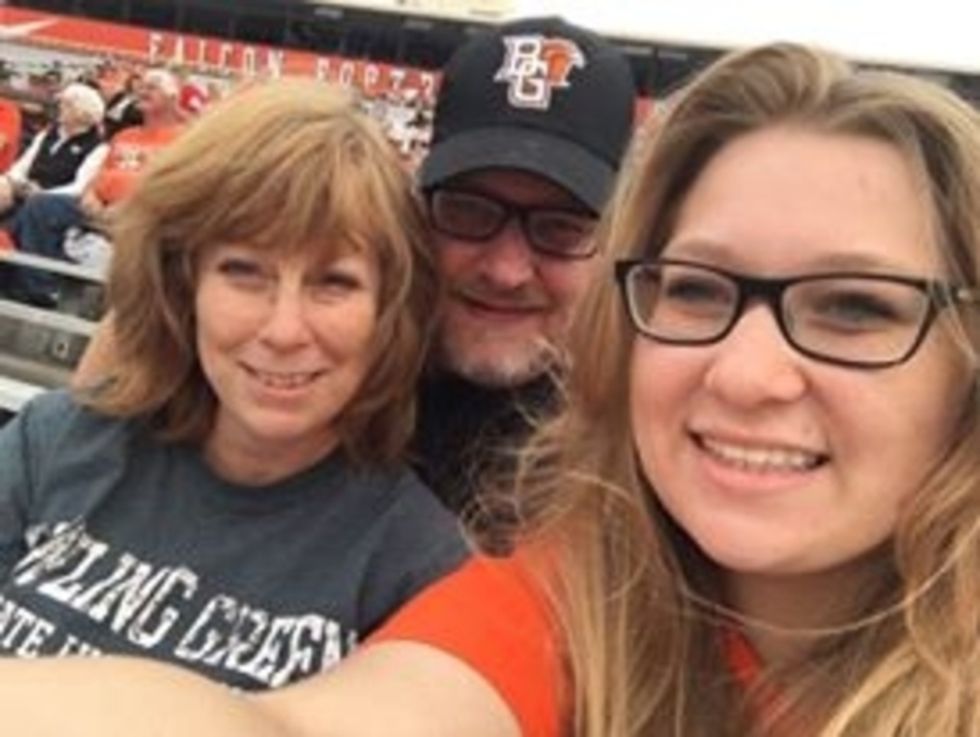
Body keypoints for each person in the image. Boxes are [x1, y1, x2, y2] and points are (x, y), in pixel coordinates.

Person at [1, 38, 976, 737]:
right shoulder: (581, 584)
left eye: (855, 306)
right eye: (698, 288)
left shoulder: (536, 503)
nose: (507, 268)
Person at [0, 78, 467, 690]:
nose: (283, 330)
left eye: (334, 282)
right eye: (244, 272)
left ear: (390, 308)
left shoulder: (418, 568)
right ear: (183, 285)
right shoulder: (55, 440)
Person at [411, 15, 637, 515]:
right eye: (470, 212)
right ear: (419, 211)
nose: (506, 271)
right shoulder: (310, 397)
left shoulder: (649, 474)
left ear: (614, 242)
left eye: (560, 229)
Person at [4, 68, 185, 304]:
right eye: (141, 86)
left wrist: (130, 206)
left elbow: (175, 188)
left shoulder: (184, 140)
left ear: (173, 97)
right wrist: (91, 196)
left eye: (152, 87)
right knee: (40, 206)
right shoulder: (124, 136)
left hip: (143, 213)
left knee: (36, 208)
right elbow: (97, 177)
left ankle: (34, 288)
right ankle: (34, 285)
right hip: (97, 207)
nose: (142, 91)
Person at [0, 81, 106, 217]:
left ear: (82, 113)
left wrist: (43, 194)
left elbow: (79, 187)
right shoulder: (47, 134)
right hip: (27, 186)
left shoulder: (96, 147)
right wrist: (14, 181)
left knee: (38, 204)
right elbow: (23, 165)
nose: (60, 108)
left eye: (67, 105)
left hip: (55, 198)